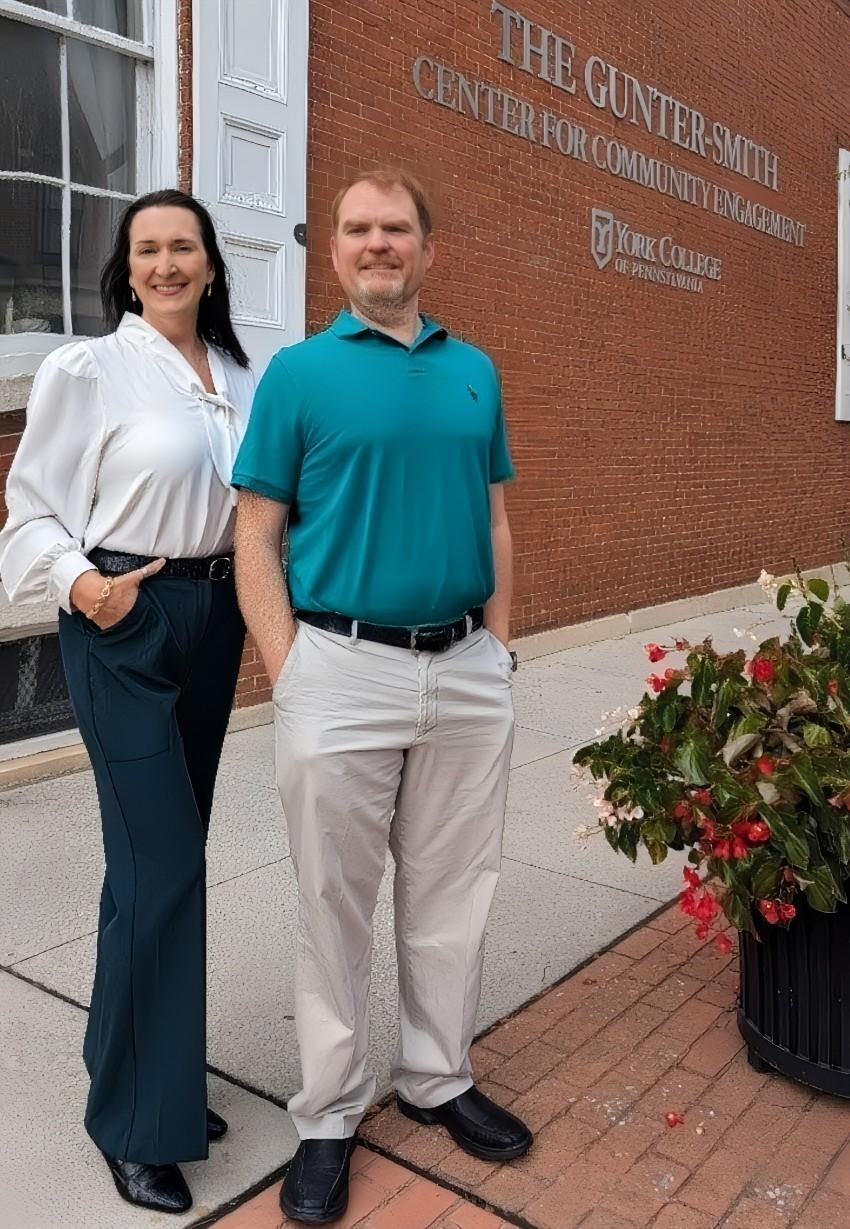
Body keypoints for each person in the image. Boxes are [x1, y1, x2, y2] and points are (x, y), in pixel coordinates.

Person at [232, 166, 532, 1225]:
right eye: (357, 229)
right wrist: (290, 664)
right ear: (336, 252)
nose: (375, 244)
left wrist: (497, 650)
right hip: (339, 666)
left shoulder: (475, 374)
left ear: (426, 247)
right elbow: (255, 534)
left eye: (394, 228)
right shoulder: (299, 374)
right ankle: (327, 1112)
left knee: (454, 891)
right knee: (334, 901)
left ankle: (439, 1076)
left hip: (462, 665)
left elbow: (493, 520)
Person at [0, 190, 254, 1216]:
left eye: (181, 246)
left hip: (216, 619)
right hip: (125, 617)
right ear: (128, 264)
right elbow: (27, 508)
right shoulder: (89, 368)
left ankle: (151, 1075)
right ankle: (137, 1125)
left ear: (209, 261)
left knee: (152, 862)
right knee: (165, 863)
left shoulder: (241, 374)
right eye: (146, 248)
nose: (165, 262)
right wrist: (85, 587)